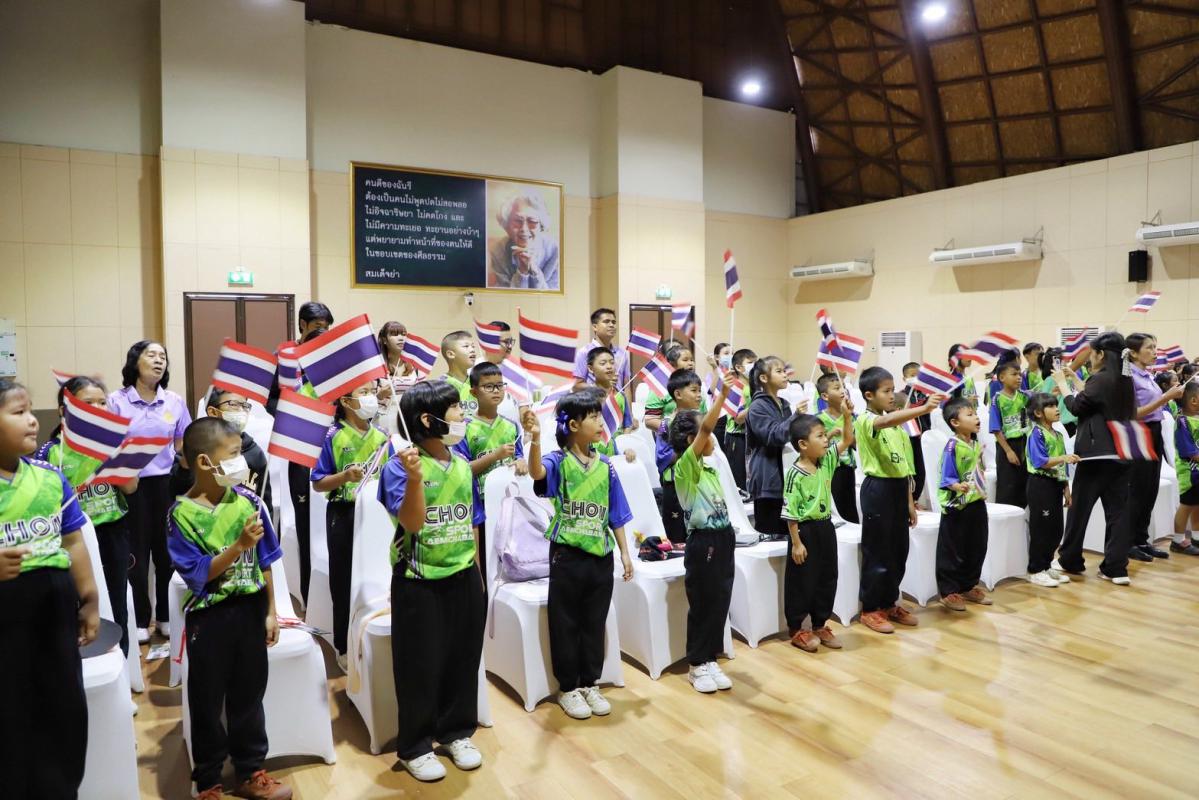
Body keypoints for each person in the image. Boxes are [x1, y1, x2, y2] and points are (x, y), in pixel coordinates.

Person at [167, 417, 288, 800]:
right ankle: (208, 781)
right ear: (205, 462)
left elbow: (265, 561)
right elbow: (198, 575)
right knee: (207, 702)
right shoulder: (180, 515)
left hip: (250, 611)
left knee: (249, 696)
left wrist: (270, 610)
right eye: (234, 454)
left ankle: (251, 771)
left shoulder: (249, 501)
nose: (243, 462)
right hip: (210, 619)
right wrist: (237, 547)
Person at [378, 381, 486, 781]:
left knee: (463, 659)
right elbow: (412, 522)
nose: (462, 415)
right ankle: (416, 746)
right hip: (418, 581)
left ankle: (457, 732)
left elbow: (473, 521)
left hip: (464, 576)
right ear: (428, 419)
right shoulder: (398, 467)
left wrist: (477, 572)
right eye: (456, 408)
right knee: (420, 666)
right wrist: (413, 479)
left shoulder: (461, 463)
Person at [0, 378, 99, 800]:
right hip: (6, 612)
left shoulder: (50, 477)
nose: (32, 421)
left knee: (62, 706)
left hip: (54, 605)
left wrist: (90, 598)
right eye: (18, 412)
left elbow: (73, 540)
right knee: (10, 709)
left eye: (31, 410)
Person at [528, 391, 635, 721]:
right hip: (567, 555)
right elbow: (536, 474)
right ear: (573, 425)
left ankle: (590, 683)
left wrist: (625, 553)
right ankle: (568, 688)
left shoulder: (606, 466)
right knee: (565, 622)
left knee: (594, 621)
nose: (601, 422)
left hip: (600, 555)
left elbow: (616, 513)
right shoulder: (558, 461)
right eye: (593, 417)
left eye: (600, 415)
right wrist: (535, 439)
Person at [38, 376, 138, 656]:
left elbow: (130, 487)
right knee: (78, 600)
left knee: (116, 599)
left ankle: (120, 660)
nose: (97, 408)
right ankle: (81, 658)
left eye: (102, 403)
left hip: (113, 532)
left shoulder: (114, 443)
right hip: (73, 539)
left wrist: (115, 456)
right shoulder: (51, 452)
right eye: (88, 403)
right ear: (64, 411)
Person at [108, 339, 190, 642]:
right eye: (151, 355)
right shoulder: (116, 401)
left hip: (166, 485)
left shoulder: (174, 401)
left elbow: (181, 444)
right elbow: (109, 445)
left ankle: (166, 617)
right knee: (137, 556)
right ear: (135, 362)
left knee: (167, 553)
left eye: (163, 357)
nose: (158, 361)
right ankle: (141, 619)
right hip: (131, 485)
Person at [854, 366, 945, 634]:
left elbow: (904, 469)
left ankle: (890, 602)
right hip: (877, 490)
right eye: (886, 391)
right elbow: (883, 422)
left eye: (893, 390)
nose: (892, 395)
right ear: (869, 395)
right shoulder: (866, 420)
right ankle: (871, 608)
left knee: (898, 550)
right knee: (878, 551)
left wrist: (909, 502)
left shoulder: (898, 430)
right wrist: (922, 408)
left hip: (897, 490)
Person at [310, 381, 390, 667]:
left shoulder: (383, 436)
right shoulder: (331, 436)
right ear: (345, 401)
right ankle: (343, 645)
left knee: (379, 576)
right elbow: (319, 482)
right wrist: (344, 477)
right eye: (364, 393)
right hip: (343, 514)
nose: (371, 398)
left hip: (378, 516)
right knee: (343, 581)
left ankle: (374, 637)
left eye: (372, 392)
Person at [669, 373, 738, 692]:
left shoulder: (710, 466)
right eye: (704, 435)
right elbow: (708, 428)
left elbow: (708, 430)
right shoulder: (686, 467)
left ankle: (710, 657)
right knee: (703, 603)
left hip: (724, 536)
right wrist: (722, 395)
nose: (712, 439)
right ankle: (697, 664)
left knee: (720, 600)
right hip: (703, 542)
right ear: (691, 440)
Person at [1052, 332, 1138, 585]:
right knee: (1118, 514)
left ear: (1101, 354)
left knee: (1079, 511)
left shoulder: (1101, 379)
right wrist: (1075, 378)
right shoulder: (1124, 379)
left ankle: (1070, 559)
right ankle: (1116, 568)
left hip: (1095, 455)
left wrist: (1063, 384)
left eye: (1091, 353)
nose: (1090, 358)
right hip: (1121, 453)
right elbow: (1095, 400)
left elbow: (1077, 407)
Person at [454, 361, 539, 581]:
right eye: (489, 386)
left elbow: (519, 457)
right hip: (481, 506)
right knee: (488, 562)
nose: (496, 391)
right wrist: (494, 456)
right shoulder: (465, 428)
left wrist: (521, 460)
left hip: (510, 505)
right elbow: (462, 471)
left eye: (500, 385)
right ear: (474, 392)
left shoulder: (511, 426)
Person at [781, 407, 854, 653]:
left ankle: (820, 623)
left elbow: (847, 439)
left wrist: (847, 416)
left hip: (825, 527)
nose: (826, 440)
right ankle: (797, 628)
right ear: (803, 444)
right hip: (804, 531)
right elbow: (790, 511)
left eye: (825, 435)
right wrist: (796, 543)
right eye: (820, 436)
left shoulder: (826, 462)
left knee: (827, 576)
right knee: (802, 580)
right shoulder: (794, 474)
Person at [280, 302, 334, 606]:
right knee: (306, 529)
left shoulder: (341, 383)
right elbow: (272, 403)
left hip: (335, 464)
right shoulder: (293, 378)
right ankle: (309, 596)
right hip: (301, 459)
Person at [1126, 333, 1182, 562]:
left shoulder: (1148, 375)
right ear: (1133, 352)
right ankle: (1128, 542)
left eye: (1155, 347)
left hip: (1154, 431)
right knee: (1138, 489)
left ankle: (1142, 539)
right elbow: (1132, 413)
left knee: (1150, 489)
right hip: (1140, 433)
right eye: (1149, 348)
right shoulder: (1129, 377)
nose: (1154, 352)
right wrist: (1165, 397)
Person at [171, 388, 272, 514]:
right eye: (234, 404)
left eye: (245, 406)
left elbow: (264, 502)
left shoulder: (254, 453)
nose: (241, 411)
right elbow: (176, 490)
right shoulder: (195, 447)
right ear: (213, 412)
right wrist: (185, 464)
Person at [935, 398, 993, 611]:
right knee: (953, 548)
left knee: (977, 544)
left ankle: (968, 585)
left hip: (976, 501)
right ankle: (949, 591)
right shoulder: (952, 446)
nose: (976, 417)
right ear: (955, 422)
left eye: (975, 413)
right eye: (969, 414)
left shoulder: (975, 444)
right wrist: (957, 486)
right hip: (956, 505)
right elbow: (946, 476)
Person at [1025, 392, 1079, 586]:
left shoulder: (1058, 434)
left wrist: (1066, 487)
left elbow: (1061, 465)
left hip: (1056, 484)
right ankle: (1035, 569)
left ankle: (1047, 565)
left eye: (1057, 405)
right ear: (1038, 413)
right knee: (1041, 529)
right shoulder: (1036, 433)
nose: (1057, 409)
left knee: (1056, 529)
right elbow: (1039, 461)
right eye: (1051, 406)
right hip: (1040, 484)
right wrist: (1064, 458)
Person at [746, 356, 797, 539]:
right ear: (764, 378)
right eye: (779, 371)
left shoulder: (785, 404)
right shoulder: (757, 406)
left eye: (785, 371)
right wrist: (796, 417)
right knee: (770, 534)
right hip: (767, 477)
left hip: (786, 472)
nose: (785, 375)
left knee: (788, 535)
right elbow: (773, 436)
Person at [656, 369, 704, 544]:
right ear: (678, 394)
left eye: (700, 390)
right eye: (694, 390)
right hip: (675, 485)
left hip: (698, 483)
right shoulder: (666, 424)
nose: (699, 395)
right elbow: (661, 457)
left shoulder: (701, 421)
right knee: (677, 535)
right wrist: (687, 449)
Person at [487, 192, 560, 290]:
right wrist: (522, 271)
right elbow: (506, 296)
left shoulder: (555, 251)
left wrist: (534, 271)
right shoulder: (498, 251)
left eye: (532, 221)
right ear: (506, 225)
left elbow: (552, 296)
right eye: (517, 221)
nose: (524, 229)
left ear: (541, 226)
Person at [816, 373, 859, 523]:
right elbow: (815, 448)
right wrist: (829, 435)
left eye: (843, 387)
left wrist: (848, 423)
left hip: (847, 469)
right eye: (837, 388)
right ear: (825, 396)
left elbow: (856, 444)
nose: (843, 391)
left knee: (849, 508)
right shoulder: (818, 419)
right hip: (829, 470)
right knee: (834, 509)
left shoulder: (852, 417)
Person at [582, 348, 637, 459]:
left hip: (615, 450)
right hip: (591, 451)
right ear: (591, 368)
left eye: (612, 362)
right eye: (603, 363)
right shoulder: (585, 396)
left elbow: (627, 425)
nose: (609, 366)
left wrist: (625, 447)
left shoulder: (620, 396)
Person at [990, 359, 1029, 509]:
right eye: (1014, 374)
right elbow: (996, 429)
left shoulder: (1025, 396)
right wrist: (1008, 451)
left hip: (1024, 443)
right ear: (1002, 378)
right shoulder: (997, 399)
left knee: (1023, 482)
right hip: (1007, 446)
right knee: (1008, 485)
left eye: (1020, 374)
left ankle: (1023, 516)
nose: (1019, 377)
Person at [644, 345, 703, 431]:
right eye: (685, 360)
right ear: (671, 364)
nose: (690, 363)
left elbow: (704, 413)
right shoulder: (659, 387)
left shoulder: (696, 383)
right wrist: (672, 430)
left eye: (692, 360)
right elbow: (650, 421)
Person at [1171, 380, 1199, 555]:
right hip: (1190, 473)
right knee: (1186, 505)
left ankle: (1196, 536)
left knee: (1197, 504)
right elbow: (1189, 452)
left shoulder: (1195, 419)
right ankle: (1177, 540)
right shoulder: (1182, 422)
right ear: (1194, 400)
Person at [572, 308, 631, 390]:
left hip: (618, 398)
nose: (611, 325)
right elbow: (577, 385)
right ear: (595, 327)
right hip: (596, 397)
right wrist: (602, 386)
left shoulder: (621, 353)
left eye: (614, 322)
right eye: (606, 321)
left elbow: (626, 385)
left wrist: (626, 399)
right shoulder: (584, 352)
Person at [377, 321, 418, 438]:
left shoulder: (415, 367)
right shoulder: (377, 367)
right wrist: (379, 396)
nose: (401, 338)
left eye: (404, 334)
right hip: (383, 422)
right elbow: (365, 400)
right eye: (394, 334)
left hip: (408, 421)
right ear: (384, 340)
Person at [724, 348, 757, 492]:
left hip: (752, 436)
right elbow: (738, 418)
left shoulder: (755, 386)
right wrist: (757, 405)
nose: (755, 365)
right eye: (750, 362)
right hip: (737, 438)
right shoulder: (735, 387)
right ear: (739, 367)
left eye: (756, 362)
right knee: (739, 480)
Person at [440, 331, 479, 418]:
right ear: (450, 354)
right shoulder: (440, 385)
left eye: (473, 346)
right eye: (466, 346)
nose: (472, 350)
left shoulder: (479, 382)